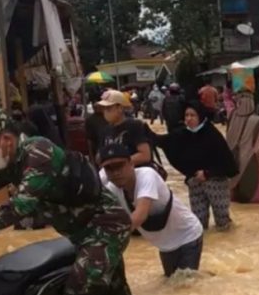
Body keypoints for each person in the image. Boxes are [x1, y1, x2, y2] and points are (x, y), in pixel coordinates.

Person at [0, 109, 146, 295]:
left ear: (6, 139)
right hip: (84, 233)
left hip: (106, 226)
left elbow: (21, 204)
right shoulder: (11, 163)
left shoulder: (39, 153)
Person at [99, 144, 204, 277]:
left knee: (185, 287)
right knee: (172, 284)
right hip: (164, 245)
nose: (116, 172)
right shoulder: (111, 188)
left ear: (131, 163)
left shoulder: (147, 176)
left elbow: (140, 216)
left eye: (120, 165)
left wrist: (105, 239)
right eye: (109, 168)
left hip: (187, 236)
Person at [156, 102, 238, 231]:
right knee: (199, 225)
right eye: (186, 115)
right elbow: (164, 141)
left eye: (192, 115)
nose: (188, 118)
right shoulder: (182, 134)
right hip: (195, 182)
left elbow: (226, 162)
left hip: (216, 182)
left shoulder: (212, 135)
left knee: (223, 223)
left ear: (201, 116)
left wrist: (207, 173)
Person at [226, 90, 259, 203]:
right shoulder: (258, 121)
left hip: (231, 163)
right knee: (253, 201)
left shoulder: (231, 117)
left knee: (234, 201)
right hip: (250, 163)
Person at [97, 90, 152, 167]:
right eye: (103, 109)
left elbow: (145, 155)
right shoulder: (105, 130)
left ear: (119, 108)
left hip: (135, 170)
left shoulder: (134, 125)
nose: (105, 112)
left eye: (108, 108)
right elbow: (100, 156)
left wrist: (119, 164)